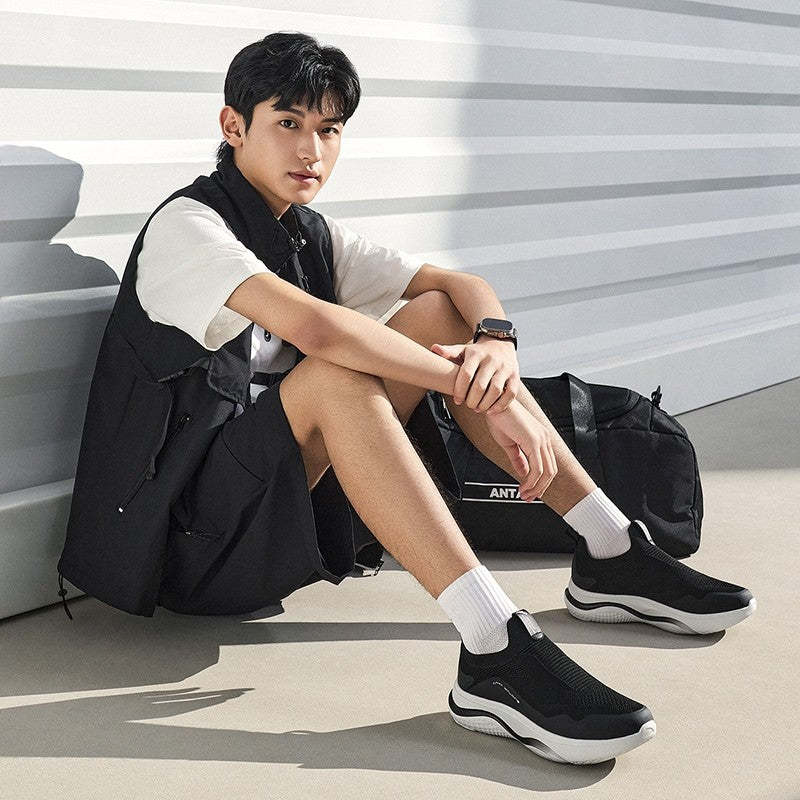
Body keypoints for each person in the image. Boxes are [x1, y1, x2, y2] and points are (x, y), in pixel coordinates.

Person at [87, 32, 758, 765]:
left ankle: (611, 550)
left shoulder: (306, 233)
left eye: (329, 129)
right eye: (288, 122)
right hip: (196, 550)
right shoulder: (187, 227)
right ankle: (493, 648)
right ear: (233, 126)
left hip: (283, 516)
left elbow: (458, 286)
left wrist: (496, 347)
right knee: (337, 371)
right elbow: (320, 330)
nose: (311, 149)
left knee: (439, 313)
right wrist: (480, 390)